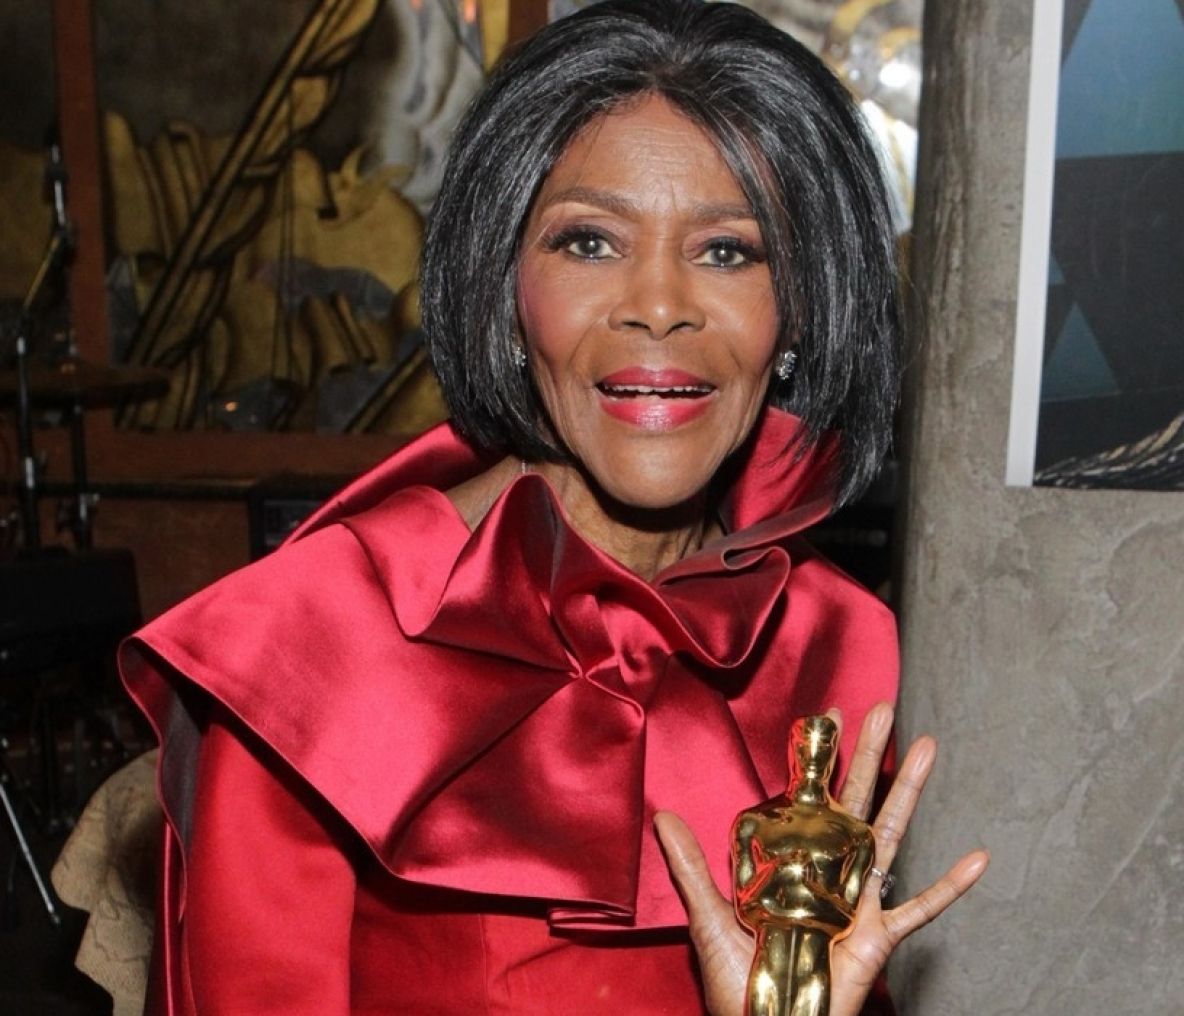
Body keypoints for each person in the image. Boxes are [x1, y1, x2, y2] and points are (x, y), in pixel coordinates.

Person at [120, 1, 987, 1013]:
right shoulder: (310, 650)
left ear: (799, 308)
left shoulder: (828, 649)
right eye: (589, 242)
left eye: (726, 251)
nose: (657, 305)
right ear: (505, 285)